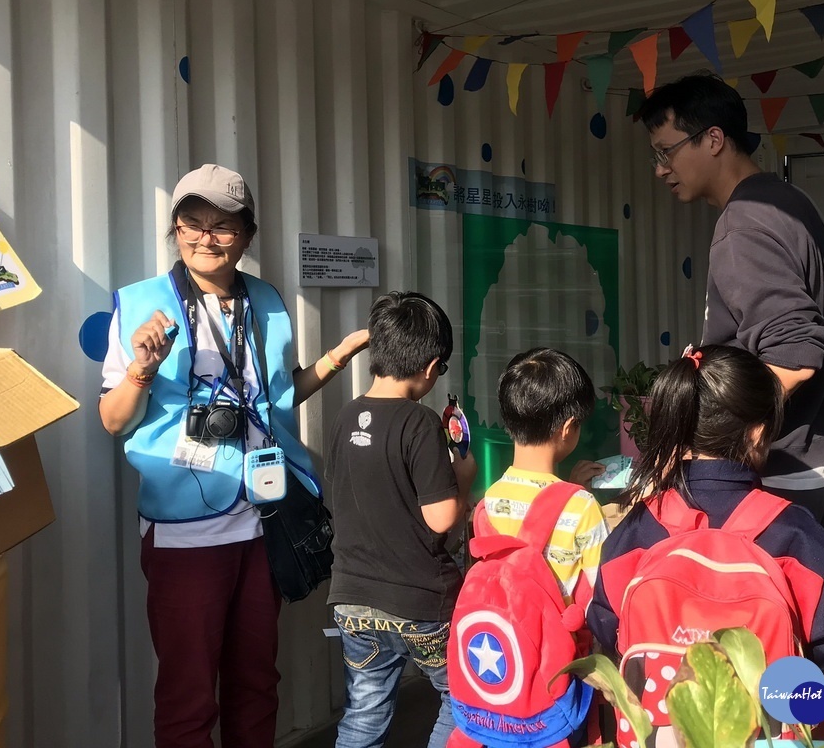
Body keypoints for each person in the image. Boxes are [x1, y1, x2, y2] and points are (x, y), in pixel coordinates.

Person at [98, 164, 369, 748]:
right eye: (192, 223)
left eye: (223, 226)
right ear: (174, 229)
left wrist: (337, 358)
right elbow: (113, 420)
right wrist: (143, 365)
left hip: (261, 518)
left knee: (256, 680)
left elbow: (274, 399)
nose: (205, 237)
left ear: (247, 235)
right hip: (184, 531)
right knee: (188, 692)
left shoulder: (268, 301)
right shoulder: (142, 304)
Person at [639, 72, 824, 548]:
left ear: (713, 139)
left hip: (781, 473)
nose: (660, 168)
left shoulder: (743, 224)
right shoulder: (785, 199)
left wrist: (708, 442)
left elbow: (794, 359)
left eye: (666, 150)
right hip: (821, 458)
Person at [587, 345, 824, 679]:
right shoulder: (795, 534)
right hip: (768, 727)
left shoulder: (636, 530)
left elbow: (605, 625)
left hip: (657, 726)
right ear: (758, 433)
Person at [325, 291, 478, 748]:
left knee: (365, 712)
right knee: (461, 699)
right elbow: (441, 518)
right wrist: (464, 479)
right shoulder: (420, 423)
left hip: (352, 598)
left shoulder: (346, 414)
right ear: (432, 367)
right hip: (419, 601)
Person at [476, 347, 609, 613]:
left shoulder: (489, 500)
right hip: (562, 648)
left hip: (507, 645)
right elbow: (602, 596)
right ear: (568, 428)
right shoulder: (582, 508)